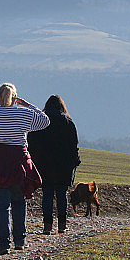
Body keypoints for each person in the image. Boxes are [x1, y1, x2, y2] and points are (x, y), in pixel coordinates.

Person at [0, 83, 50, 255]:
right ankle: (20, 241)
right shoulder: (22, 113)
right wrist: (27, 105)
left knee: (1, 206)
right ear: (15, 98)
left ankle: (3, 244)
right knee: (19, 201)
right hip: (19, 165)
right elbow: (45, 121)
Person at [28, 95, 80, 235]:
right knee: (62, 194)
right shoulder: (68, 122)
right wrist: (76, 160)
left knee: (47, 194)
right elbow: (74, 145)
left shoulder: (40, 123)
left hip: (44, 165)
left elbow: (31, 142)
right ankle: (62, 225)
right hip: (63, 166)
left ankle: (47, 225)